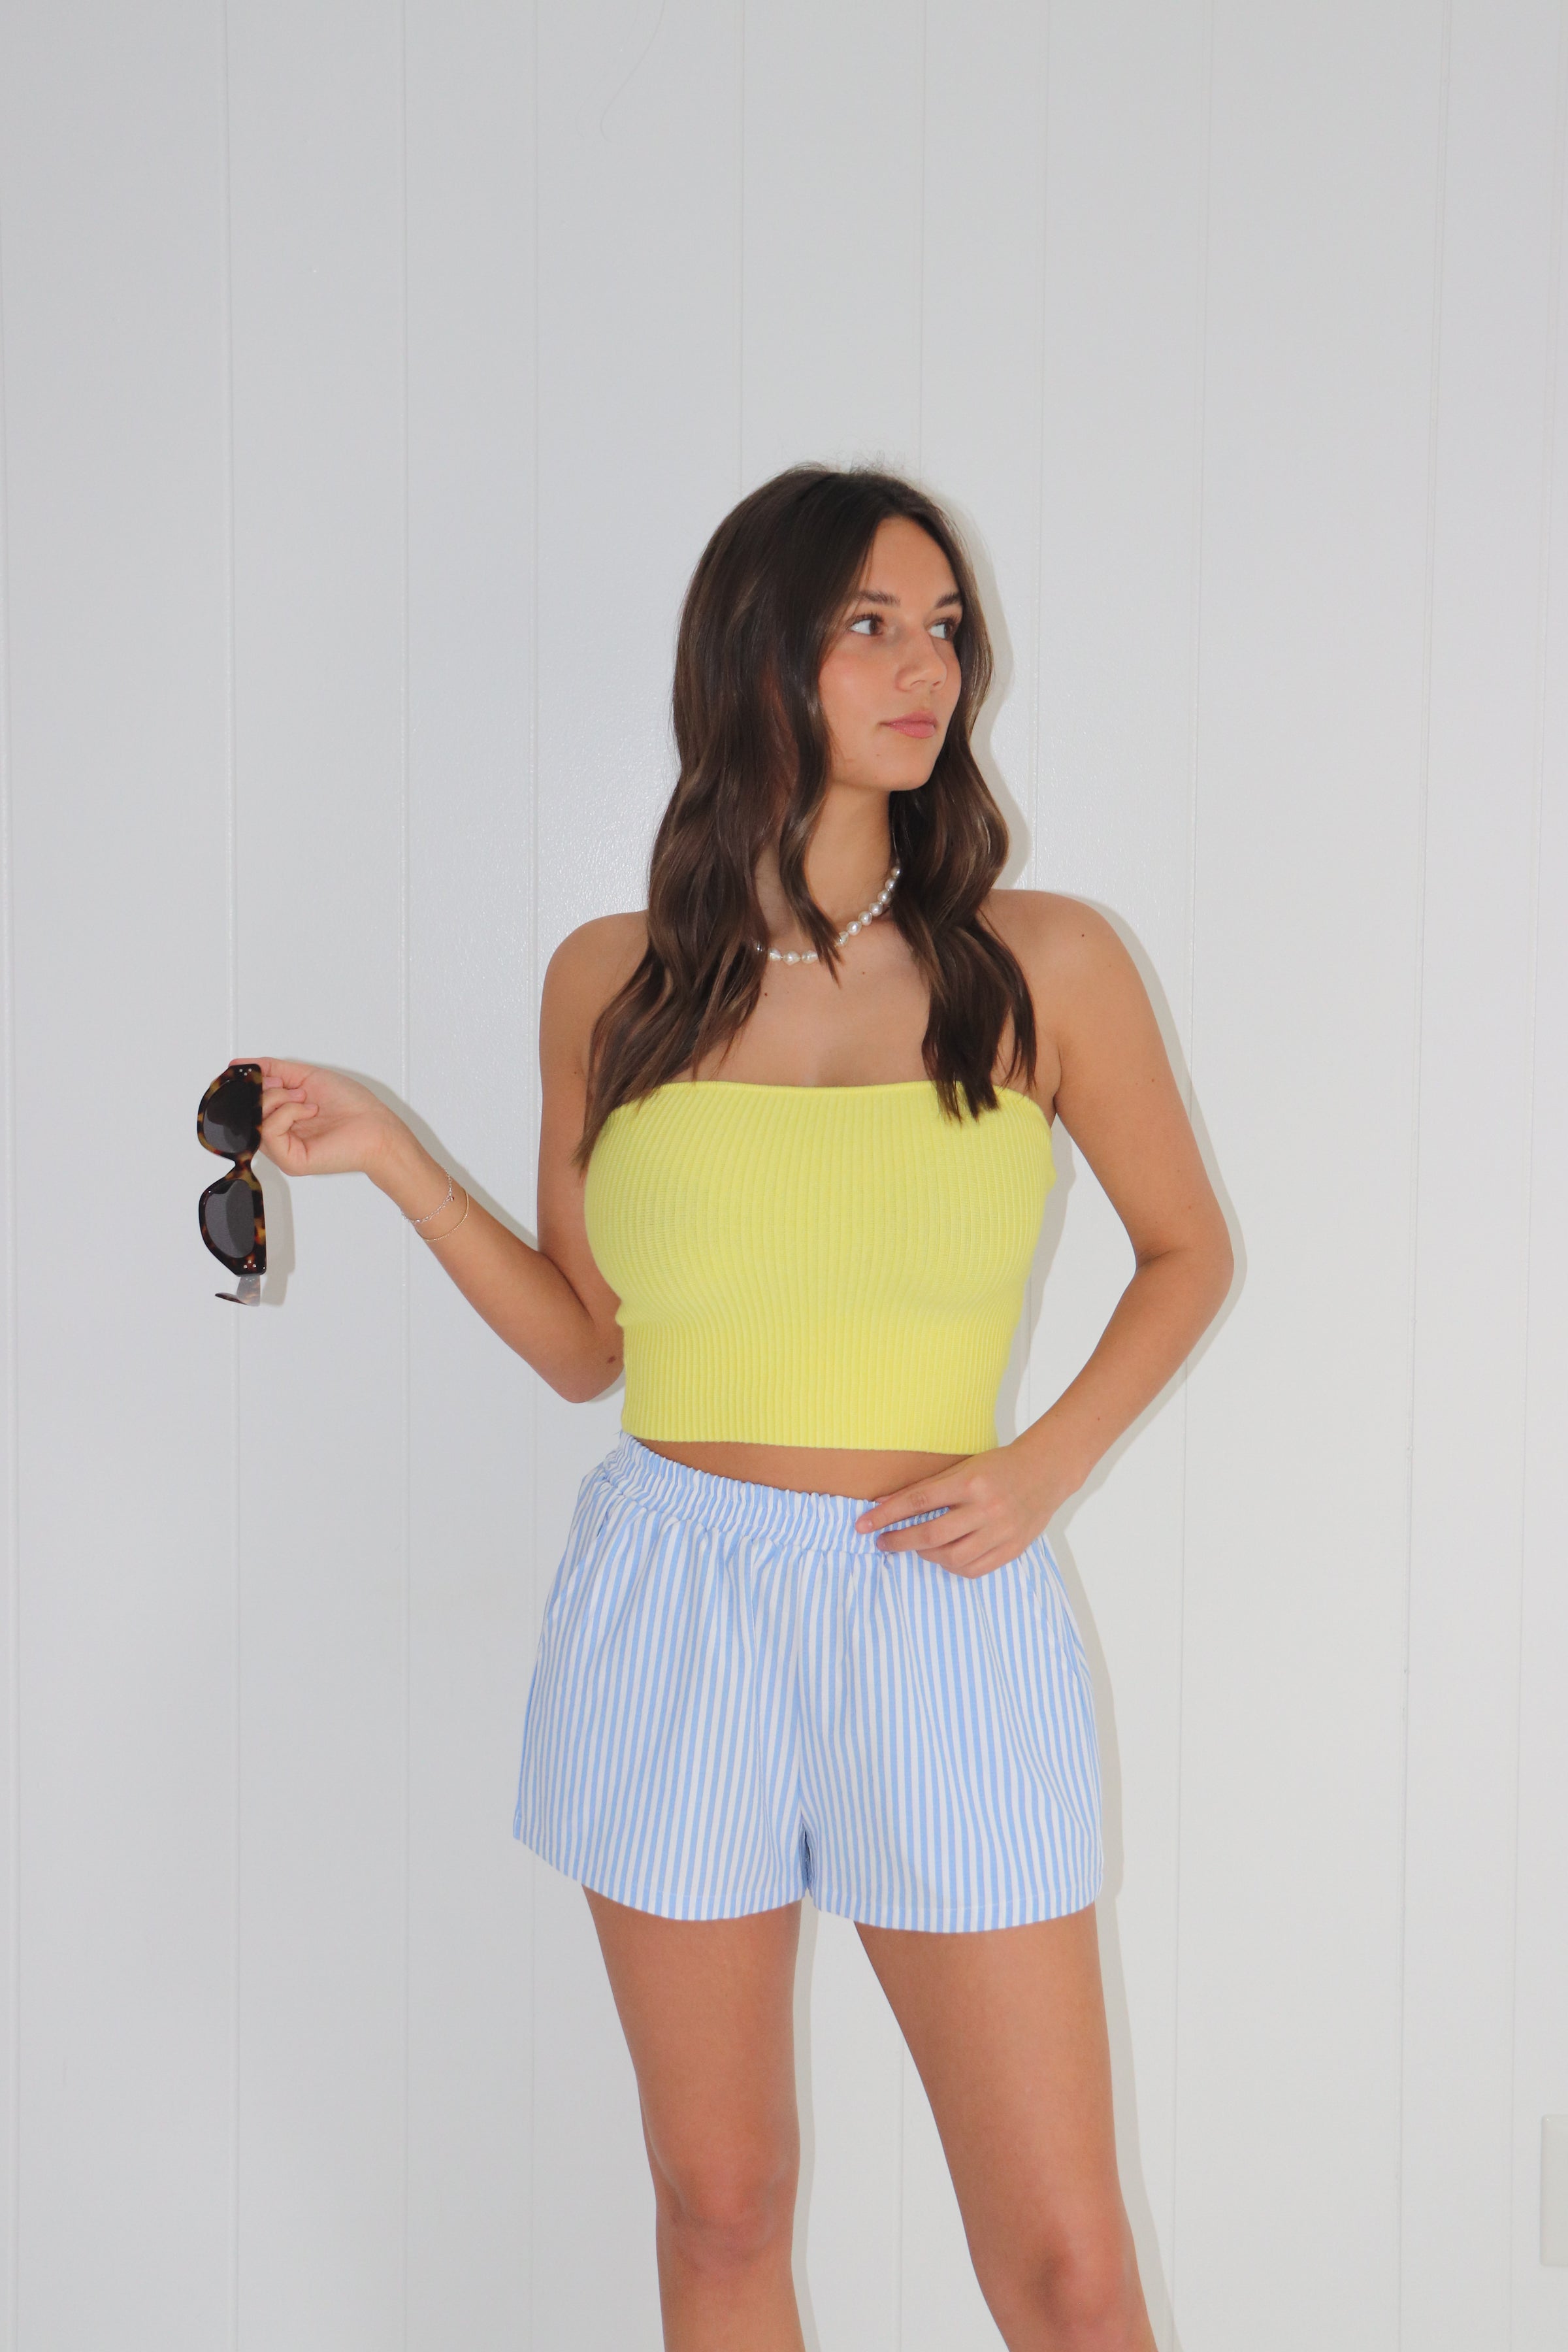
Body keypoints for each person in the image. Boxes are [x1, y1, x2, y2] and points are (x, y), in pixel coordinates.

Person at [251, 465, 1232, 2352]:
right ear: (756, 653)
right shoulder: (611, 980)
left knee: (1067, 2264)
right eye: (871, 624)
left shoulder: (1048, 962)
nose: (926, 668)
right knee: (720, 2206)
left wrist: (1041, 1472)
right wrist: (391, 1157)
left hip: (942, 1596)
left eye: (946, 629)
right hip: (673, 1598)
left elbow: (1188, 1251)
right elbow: (582, 1345)